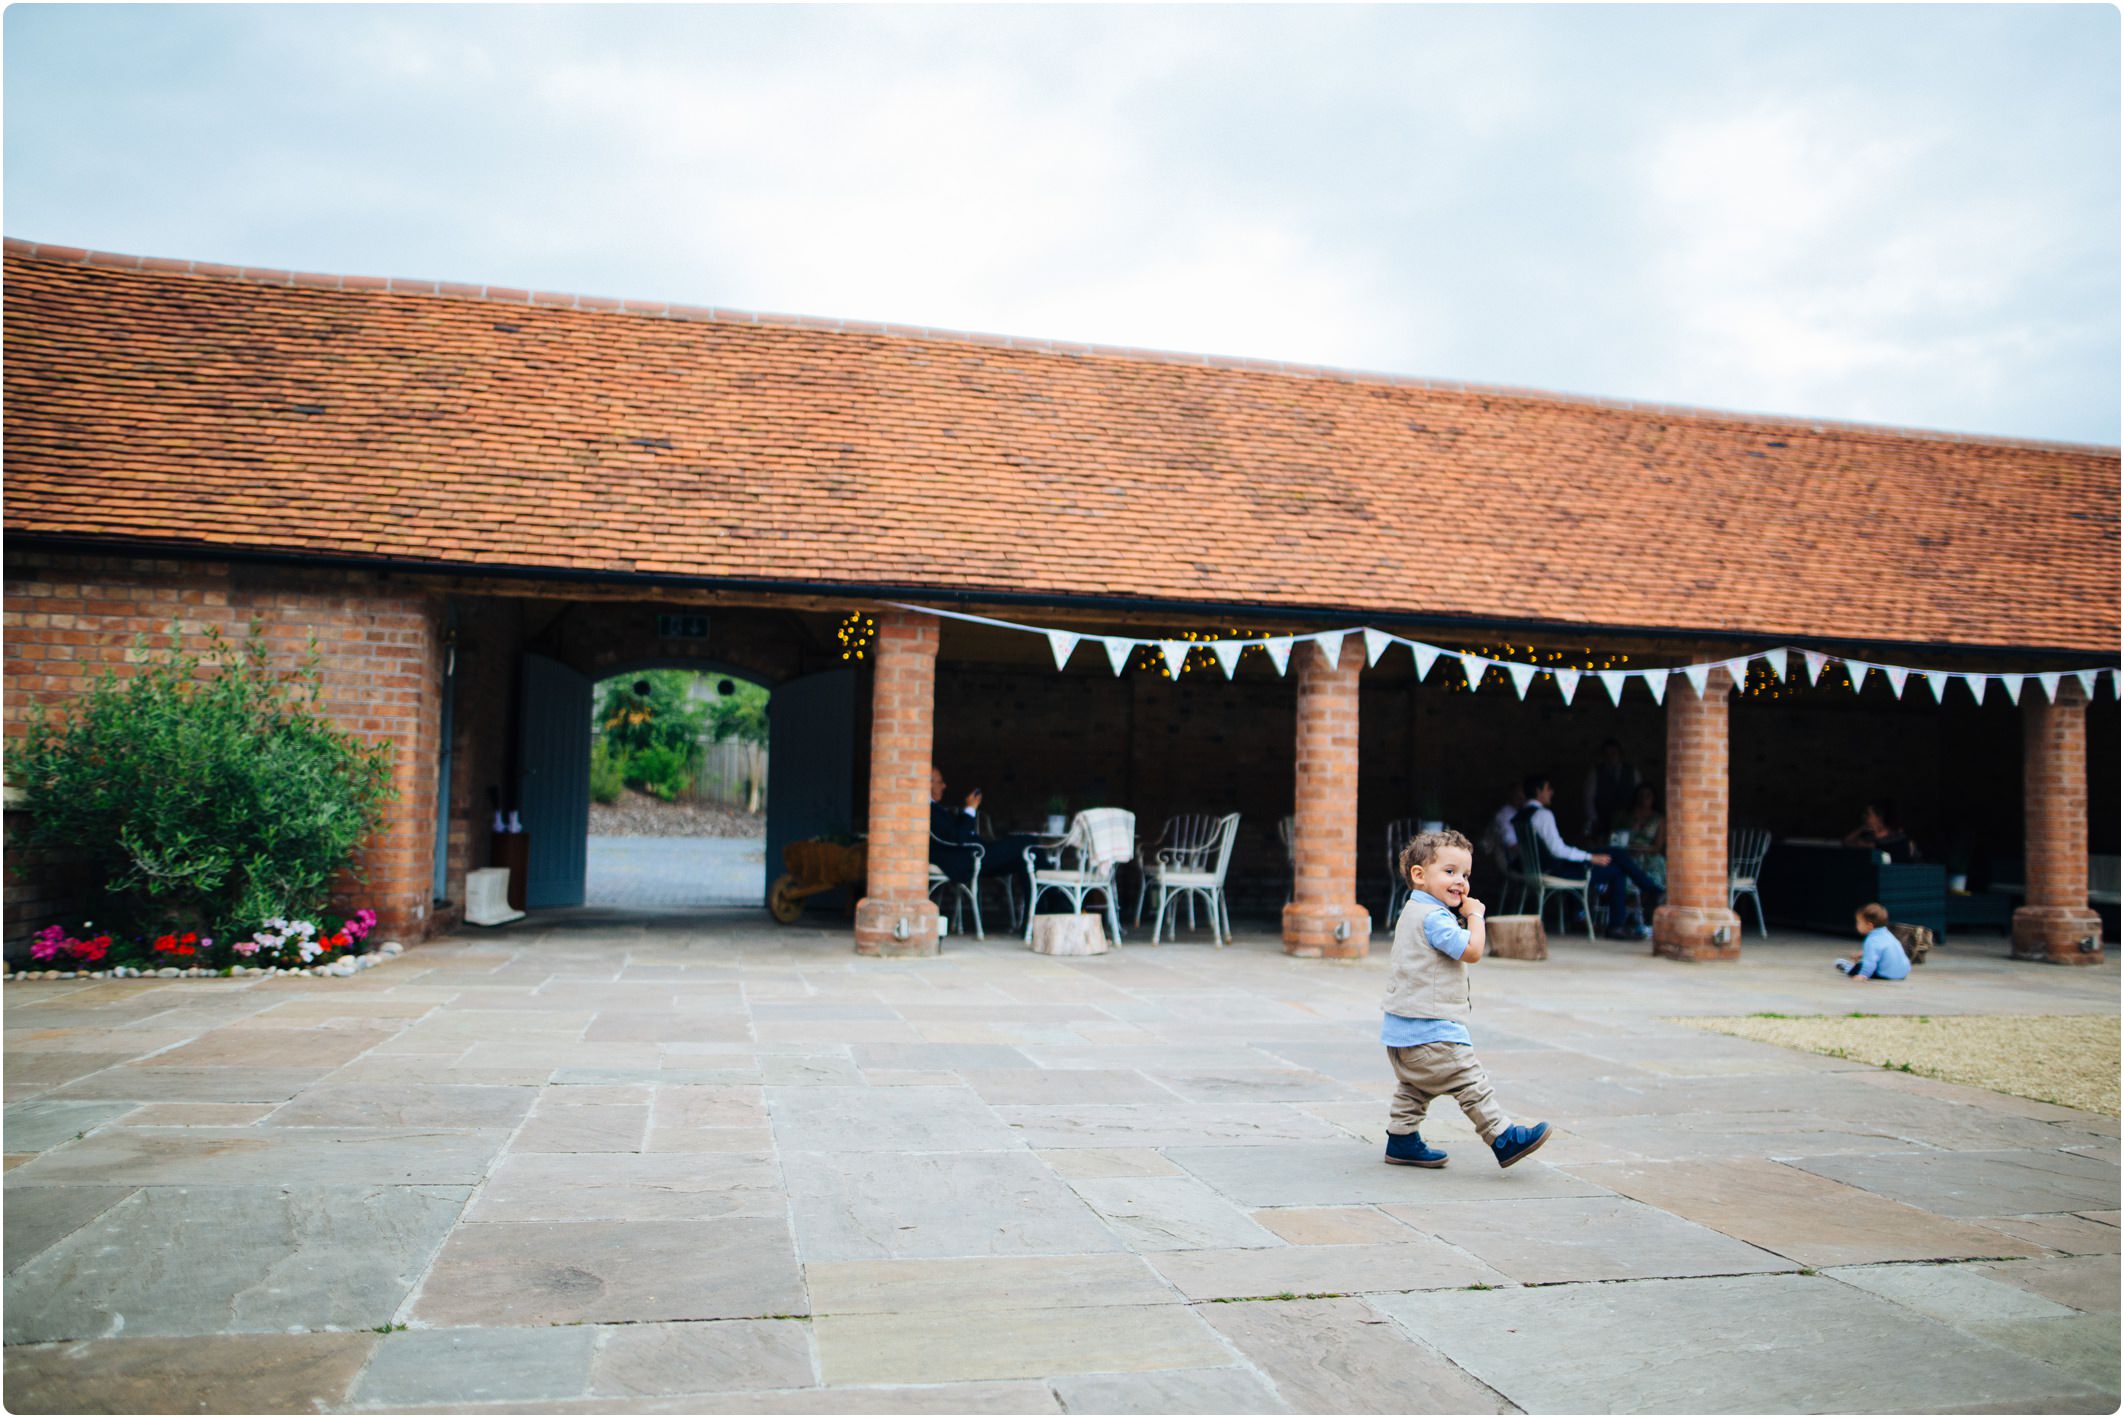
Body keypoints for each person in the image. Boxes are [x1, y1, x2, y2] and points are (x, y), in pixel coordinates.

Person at [1379, 828, 1552, 1170]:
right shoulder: (1434, 918)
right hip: (1433, 1031)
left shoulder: (1414, 910)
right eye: (1450, 872)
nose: (1460, 881)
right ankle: (1502, 1138)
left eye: (1465, 874)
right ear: (1419, 875)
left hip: (1402, 1033)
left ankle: (1401, 1140)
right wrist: (1475, 916)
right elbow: (1472, 951)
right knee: (1469, 1080)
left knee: (1415, 1086)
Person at [1516, 773, 1665, 938]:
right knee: (1617, 870)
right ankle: (1620, 922)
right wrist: (1589, 857)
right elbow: (1558, 850)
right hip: (1554, 870)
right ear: (1538, 791)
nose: (1552, 792)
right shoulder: (1543, 815)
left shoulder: (1521, 815)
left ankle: (1649, 891)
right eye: (1548, 788)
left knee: (1616, 853)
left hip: (1540, 868)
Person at [1581, 739, 1642, 839]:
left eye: (1613, 753)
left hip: (1628, 818)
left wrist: (1637, 817)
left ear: (1620, 754)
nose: (1610, 756)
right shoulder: (1595, 773)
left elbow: (1640, 795)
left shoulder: (1632, 771)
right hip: (1604, 818)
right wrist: (1593, 818)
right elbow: (1588, 798)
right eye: (1607, 753)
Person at [1837, 902, 1911, 980]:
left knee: (1860, 966)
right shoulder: (1888, 935)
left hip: (1885, 975)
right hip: (1902, 974)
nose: (1857, 925)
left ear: (1869, 925)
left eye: (1859, 922)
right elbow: (1882, 950)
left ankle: (1848, 969)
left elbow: (1870, 962)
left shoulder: (1872, 940)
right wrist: (1863, 953)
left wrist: (1863, 975)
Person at [1618, 783, 1667, 892]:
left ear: (1653, 798)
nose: (1644, 798)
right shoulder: (1627, 816)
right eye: (1641, 795)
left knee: (1654, 870)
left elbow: (1658, 847)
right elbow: (1618, 838)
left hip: (1649, 856)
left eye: (1648, 795)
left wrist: (1641, 849)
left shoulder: (1658, 819)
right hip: (1628, 854)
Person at [1844, 800, 1918, 863]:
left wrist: (1871, 846)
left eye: (1869, 814)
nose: (1865, 817)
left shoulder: (1899, 838)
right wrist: (1862, 828)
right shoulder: (1870, 837)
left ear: (1880, 817)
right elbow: (1847, 842)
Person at [1478, 781, 1525, 879]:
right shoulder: (1505, 814)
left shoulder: (1520, 813)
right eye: (1520, 793)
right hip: (1512, 863)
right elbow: (1511, 844)